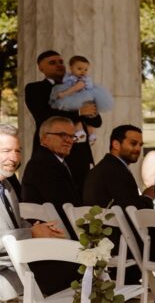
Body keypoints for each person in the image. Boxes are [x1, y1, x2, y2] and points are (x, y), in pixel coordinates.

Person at [0, 123, 79, 303]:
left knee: (71, 267)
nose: (14, 158)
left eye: (17, 151)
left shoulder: (7, 186)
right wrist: (32, 233)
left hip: (13, 260)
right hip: (4, 269)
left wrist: (36, 227)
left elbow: (13, 224)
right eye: (5, 151)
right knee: (70, 271)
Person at [24, 50, 101, 195]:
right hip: (51, 155)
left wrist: (90, 108)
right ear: (41, 68)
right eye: (52, 63)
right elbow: (44, 116)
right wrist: (79, 112)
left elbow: (97, 121)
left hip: (80, 155)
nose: (59, 65)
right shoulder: (35, 89)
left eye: (61, 62)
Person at [20, 116, 81, 235]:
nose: (69, 141)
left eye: (72, 136)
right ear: (44, 138)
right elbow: (64, 205)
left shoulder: (52, 161)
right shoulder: (43, 164)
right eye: (62, 135)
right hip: (52, 237)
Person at [83, 124, 155, 211]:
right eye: (133, 143)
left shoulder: (105, 166)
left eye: (140, 145)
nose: (138, 149)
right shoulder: (116, 171)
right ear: (116, 144)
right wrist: (148, 197)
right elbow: (132, 210)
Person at [48, 55, 114, 145]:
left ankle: (91, 134)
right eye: (79, 69)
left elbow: (97, 122)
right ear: (71, 67)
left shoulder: (86, 81)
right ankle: (79, 132)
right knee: (76, 115)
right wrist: (79, 111)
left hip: (83, 98)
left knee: (90, 115)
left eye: (85, 70)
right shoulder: (64, 81)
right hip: (72, 100)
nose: (83, 72)